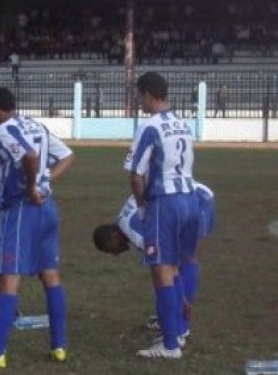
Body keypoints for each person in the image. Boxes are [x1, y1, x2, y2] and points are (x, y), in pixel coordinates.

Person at [0, 87, 74, 368]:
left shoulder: (4, 129)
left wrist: (31, 186)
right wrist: (46, 182)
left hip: (23, 210)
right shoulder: (35, 124)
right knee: (50, 277)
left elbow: (28, 156)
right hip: (48, 209)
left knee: (8, 279)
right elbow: (67, 156)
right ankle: (59, 346)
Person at [124, 72, 198, 359]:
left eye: (138, 95)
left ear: (147, 94)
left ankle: (169, 345)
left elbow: (135, 174)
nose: (137, 100)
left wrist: (142, 206)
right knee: (176, 267)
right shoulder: (182, 123)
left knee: (162, 271)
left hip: (164, 203)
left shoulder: (149, 126)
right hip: (189, 198)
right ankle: (178, 331)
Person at [93, 182, 215, 344]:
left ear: (114, 237)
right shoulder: (122, 221)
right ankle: (170, 316)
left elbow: (169, 268)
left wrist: (183, 301)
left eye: (111, 250)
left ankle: (181, 328)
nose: (115, 254)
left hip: (198, 200)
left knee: (186, 258)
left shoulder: (136, 233)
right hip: (184, 197)